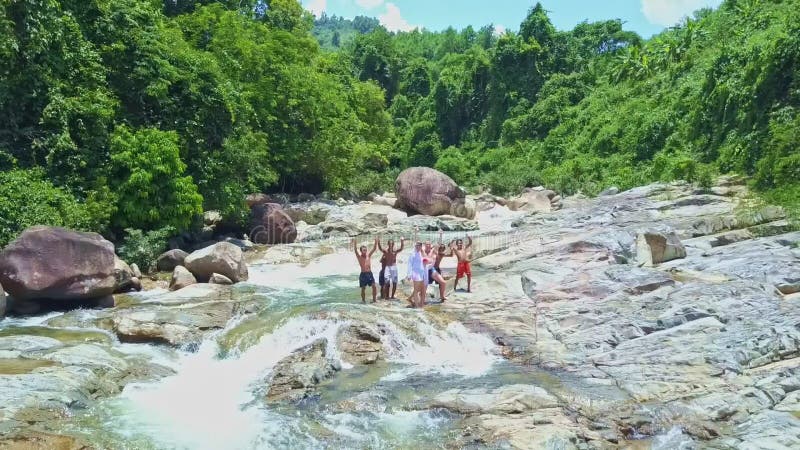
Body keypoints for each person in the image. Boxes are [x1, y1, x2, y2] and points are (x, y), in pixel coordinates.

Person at [353, 238, 378, 303]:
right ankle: (363, 301)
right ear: (361, 251)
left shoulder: (368, 256)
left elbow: (374, 249)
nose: (365, 251)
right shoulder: (359, 257)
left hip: (369, 273)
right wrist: (355, 243)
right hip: (363, 274)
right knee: (363, 288)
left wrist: (376, 241)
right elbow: (355, 250)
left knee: (374, 286)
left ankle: (374, 300)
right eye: (364, 250)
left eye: (366, 250)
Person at [423, 237, 448, 302]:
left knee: (443, 283)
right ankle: (419, 298)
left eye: (429, 244)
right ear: (424, 245)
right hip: (424, 271)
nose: (428, 245)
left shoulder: (434, 251)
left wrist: (440, 235)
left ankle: (442, 296)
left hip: (432, 270)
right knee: (423, 286)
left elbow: (440, 246)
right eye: (426, 244)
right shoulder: (422, 251)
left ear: (430, 245)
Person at [406, 241, 427, 308]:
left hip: (422, 273)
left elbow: (425, 261)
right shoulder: (412, 254)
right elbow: (409, 264)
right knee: (416, 290)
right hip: (415, 273)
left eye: (419, 245)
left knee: (420, 289)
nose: (418, 247)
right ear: (415, 246)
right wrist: (409, 275)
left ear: (421, 246)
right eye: (417, 245)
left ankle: (412, 300)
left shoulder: (421, 253)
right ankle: (417, 307)